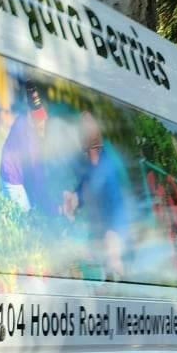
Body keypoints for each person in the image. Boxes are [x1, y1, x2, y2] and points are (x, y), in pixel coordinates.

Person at [66, 111, 133, 278]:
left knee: (114, 267)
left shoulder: (109, 167)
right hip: (98, 229)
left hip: (116, 233)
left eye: (93, 149)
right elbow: (86, 184)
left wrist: (114, 237)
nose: (90, 155)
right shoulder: (89, 161)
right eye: (88, 151)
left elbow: (119, 207)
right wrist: (75, 198)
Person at [0, 84, 63, 215]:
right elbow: (36, 176)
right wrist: (55, 209)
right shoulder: (28, 136)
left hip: (11, 174)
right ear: (31, 117)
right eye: (40, 122)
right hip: (13, 180)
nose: (43, 124)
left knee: (31, 207)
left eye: (44, 120)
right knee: (27, 219)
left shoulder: (23, 120)